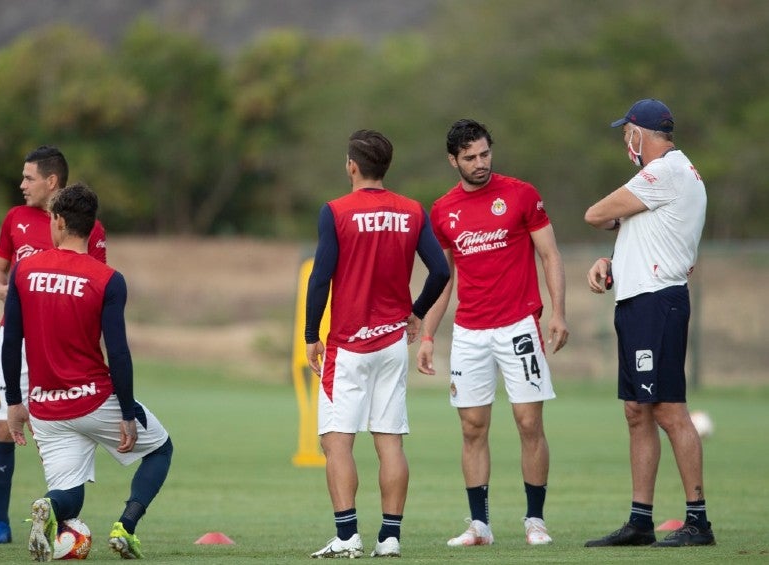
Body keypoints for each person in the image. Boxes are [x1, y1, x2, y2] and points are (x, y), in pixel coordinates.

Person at [417, 119, 568, 547]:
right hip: (469, 332)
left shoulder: (521, 194)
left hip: (519, 324)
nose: (480, 163)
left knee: (528, 422)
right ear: (453, 161)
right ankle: (479, 526)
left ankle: (535, 520)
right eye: (470, 158)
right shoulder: (443, 209)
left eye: (485, 154)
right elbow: (442, 279)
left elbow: (550, 254)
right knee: (472, 427)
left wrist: (557, 312)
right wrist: (428, 334)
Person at [3, 182, 173, 561]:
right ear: (91, 227)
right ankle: (125, 527)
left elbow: (11, 340)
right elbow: (118, 352)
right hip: (94, 401)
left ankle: (47, 506)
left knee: (69, 495)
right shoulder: (107, 279)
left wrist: (14, 402)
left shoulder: (24, 271)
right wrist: (127, 413)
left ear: (59, 222)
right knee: (161, 448)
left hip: (45, 408)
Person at [305, 129, 450, 559]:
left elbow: (320, 277)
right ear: (385, 167)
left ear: (352, 165)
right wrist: (415, 311)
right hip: (391, 345)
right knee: (390, 441)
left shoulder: (335, 211)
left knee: (336, 440)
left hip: (349, 344)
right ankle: (390, 539)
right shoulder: (412, 211)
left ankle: (348, 536)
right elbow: (440, 272)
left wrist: (312, 334)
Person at [583, 99, 714, 548]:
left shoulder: (664, 172)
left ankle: (698, 521)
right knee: (637, 410)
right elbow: (648, 236)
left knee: (668, 409)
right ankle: (640, 521)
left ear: (642, 133)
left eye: (627, 133)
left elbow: (595, 213)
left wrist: (615, 222)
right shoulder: (670, 179)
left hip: (658, 304)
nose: (625, 140)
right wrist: (612, 261)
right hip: (639, 301)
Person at [0, 145, 108, 544]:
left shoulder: (89, 227)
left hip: (64, 343)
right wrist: (1, 289)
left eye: (28, 178)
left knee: (55, 434)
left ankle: (59, 514)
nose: (21, 185)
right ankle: (0, 524)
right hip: (17, 338)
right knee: (5, 427)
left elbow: (98, 285)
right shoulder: (15, 219)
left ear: (52, 181)